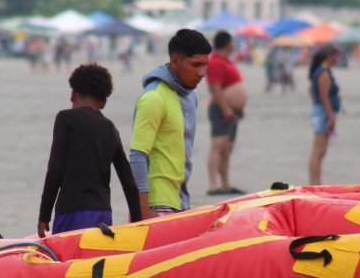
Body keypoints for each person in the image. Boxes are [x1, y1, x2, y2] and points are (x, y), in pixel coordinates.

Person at [37, 63, 142, 237]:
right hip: (103, 213)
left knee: (69, 262)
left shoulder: (65, 119)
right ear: (103, 102)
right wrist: (138, 223)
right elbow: (128, 182)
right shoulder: (110, 128)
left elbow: (55, 169)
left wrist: (44, 215)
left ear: (73, 94)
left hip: (71, 211)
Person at [129, 28, 211, 219]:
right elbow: (137, 155)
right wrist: (143, 209)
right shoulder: (154, 97)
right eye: (196, 65)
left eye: (205, 65)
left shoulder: (191, 96)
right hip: (156, 203)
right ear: (175, 61)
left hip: (180, 200)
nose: (202, 73)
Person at [206, 30, 247, 196]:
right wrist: (226, 109)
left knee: (227, 148)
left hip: (232, 111)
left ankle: (226, 183)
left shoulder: (225, 61)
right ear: (227, 43)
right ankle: (214, 184)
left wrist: (238, 108)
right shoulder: (215, 62)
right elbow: (215, 88)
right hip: (221, 110)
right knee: (218, 145)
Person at [308, 44, 341, 185]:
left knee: (321, 151)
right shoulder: (323, 73)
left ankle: (316, 182)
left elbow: (311, 91)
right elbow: (324, 97)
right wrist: (331, 116)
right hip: (323, 112)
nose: (337, 58)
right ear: (329, 56)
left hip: (321, 111)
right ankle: (315, 183)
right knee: (318, 151)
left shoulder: (322, 71)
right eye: (335, 55)